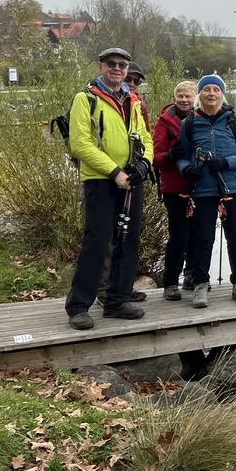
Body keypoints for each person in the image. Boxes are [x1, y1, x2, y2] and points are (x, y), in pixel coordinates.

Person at [63, 47, 153, 330]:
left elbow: (146, 138)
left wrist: (143, 166)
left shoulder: (133, 99)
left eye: (123, 65)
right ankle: (78, 306)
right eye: (112, 64)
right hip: (101, 181)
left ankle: (116, 300)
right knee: (98, 241)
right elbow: (80, 144)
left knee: (128, 241)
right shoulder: (86, 98)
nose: (117, 69)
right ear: (101, 66)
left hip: (131, 180)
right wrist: (114, 172)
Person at [177, 74, 236, 307]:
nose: (211, 93)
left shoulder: (234, 120)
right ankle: (201, 285)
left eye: (216, 89)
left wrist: (226, 162)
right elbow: (181, 156)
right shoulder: (190, 123)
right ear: (199, 94)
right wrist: (186, 169)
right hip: (202, 188)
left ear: (222, 94)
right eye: (206, 90)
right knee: (203, 239)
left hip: (233, 186)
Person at [151, 80, 198, 301]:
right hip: (174, 186)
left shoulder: (203, 119)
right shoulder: (164, 121)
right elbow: (156, 157)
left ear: (195, 97)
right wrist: (171, 155)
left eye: (188, 95)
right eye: (180, 95)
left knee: (199, 234)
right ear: (175, 97)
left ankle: (192, 274)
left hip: (200, 185)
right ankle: (171, 281)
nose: (184, 99)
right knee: (178, 235)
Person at [125, 61, 150, 127]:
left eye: (136, 81)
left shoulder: (141, 106)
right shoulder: (107, 101)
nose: (132, 84)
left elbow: (146, 132)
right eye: (128, 79)